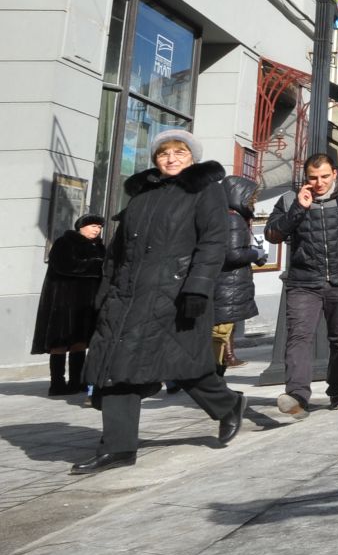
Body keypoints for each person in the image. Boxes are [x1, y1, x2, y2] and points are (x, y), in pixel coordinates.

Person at [73, 129, 244, 473]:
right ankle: (119, 448)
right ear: (155, 159)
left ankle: (227, 406)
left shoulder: (205, 192)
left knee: (185, 365)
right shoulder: (142, 195)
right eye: (164, 153)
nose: (171, 159)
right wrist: (107, 290)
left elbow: (212, 244)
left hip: (177, 295)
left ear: (192, 157)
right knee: (118, 366)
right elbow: (118, 251)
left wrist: (197, 289)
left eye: (180, 152)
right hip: (129, 295)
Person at [265, 152, 338, 418]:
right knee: (298, 336)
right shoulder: (289, 200)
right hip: (303, 282)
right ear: (305, 178)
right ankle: (297, 396)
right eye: (312, 178)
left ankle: (337, 389)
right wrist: (298, 209)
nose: (319, 183)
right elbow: (272, 235)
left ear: (335, 174)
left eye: (324, 177)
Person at [34, 213, 106, 396]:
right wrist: (96, 266)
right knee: (59, 342)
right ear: (81, 227)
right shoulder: (64, 242)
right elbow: (65, 266)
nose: (96, 230)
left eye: (99, 227)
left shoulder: (99, 247)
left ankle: (77, 382)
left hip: (86, 304)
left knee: (80, 342)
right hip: (63, 301)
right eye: (93, 226)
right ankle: (57, 384)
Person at [210, 175, 263, 376]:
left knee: (222, 332)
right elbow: (233, 254)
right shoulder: (234, 218)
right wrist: (256, 253)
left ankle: (217, 382)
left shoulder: (226, 216)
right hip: (228, 286)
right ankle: (213, 385)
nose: (253, 202)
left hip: (226, 286)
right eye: (251, 197)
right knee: (219, 336)